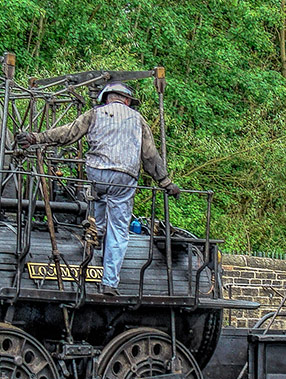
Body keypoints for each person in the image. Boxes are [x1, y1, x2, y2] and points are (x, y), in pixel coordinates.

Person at [16, 83, 180, 296]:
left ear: (106, 98)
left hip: (97, 174)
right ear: (128, 101)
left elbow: (68, 134)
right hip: (124, 177)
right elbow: (149, 156)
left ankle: (97, 231)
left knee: (100, 199)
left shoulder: (94, 114)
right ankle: (109, 282)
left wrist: (36, 138)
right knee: (120, 229)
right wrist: (166, 182)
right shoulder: (138, 120)